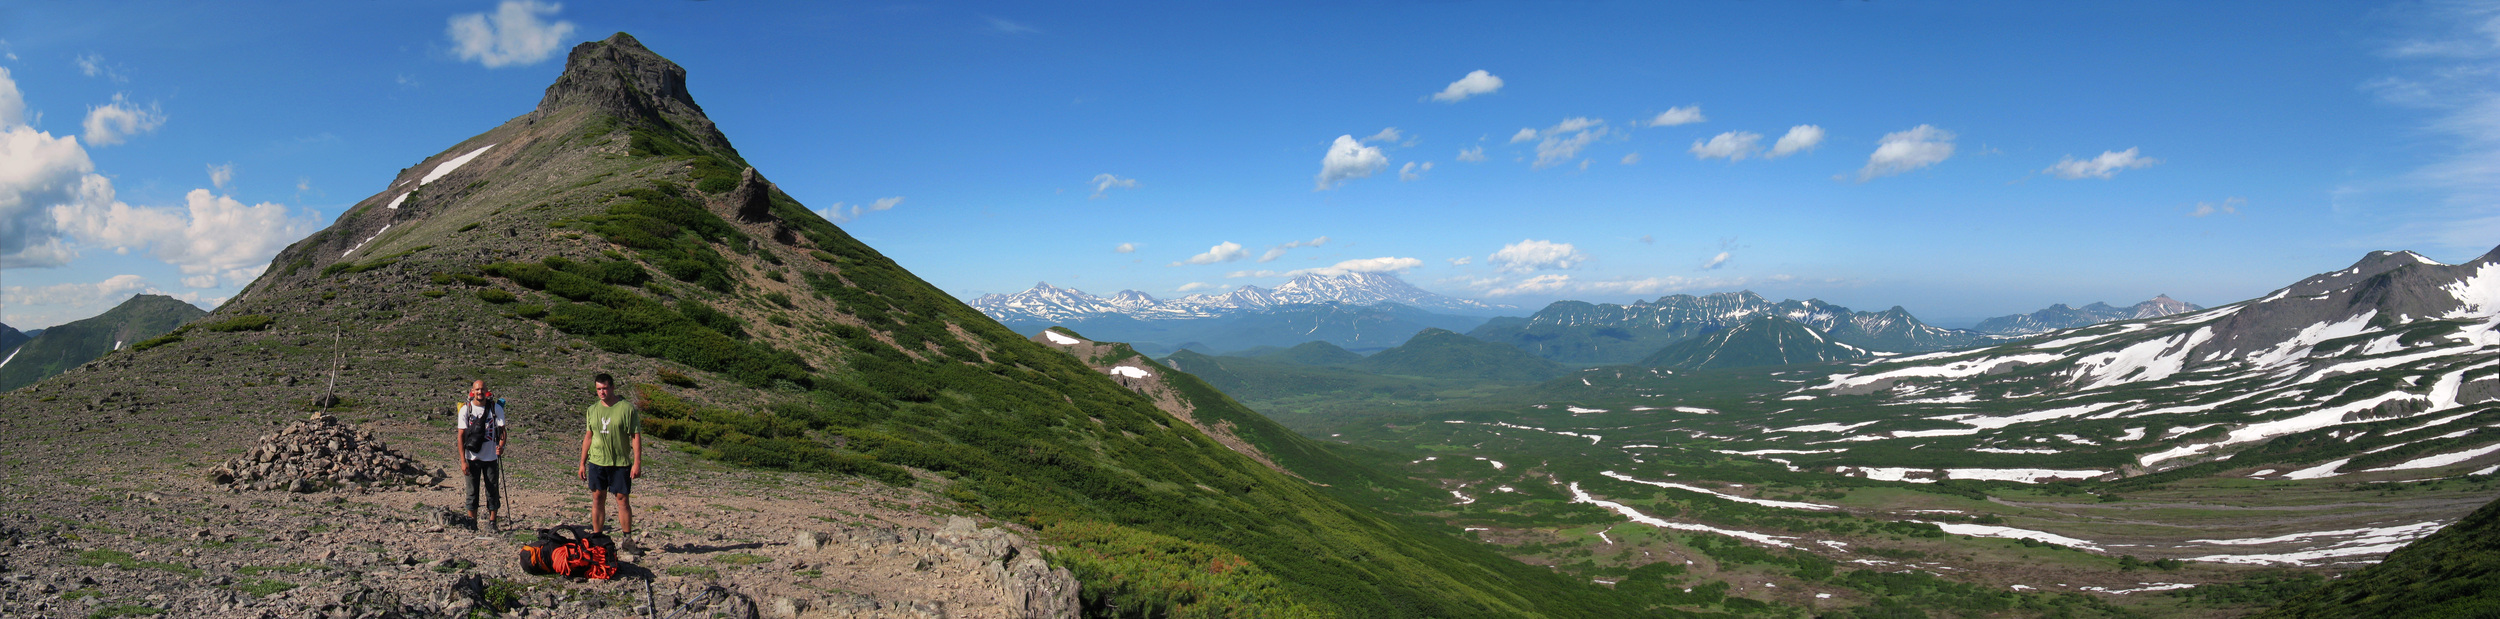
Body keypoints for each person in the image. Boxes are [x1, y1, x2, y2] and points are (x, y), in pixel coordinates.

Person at [577, 372, 642, 535]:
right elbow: (588, 436)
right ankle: (597, 537)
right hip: (597, 461)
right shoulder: (592, 410)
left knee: (622, 499)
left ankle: (627, 537)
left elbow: (635, 436)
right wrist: (582, 463)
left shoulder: (626, 409)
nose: (602, 392)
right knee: (598, 499)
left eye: (605, 388)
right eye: (599, 389)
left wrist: (637, 463)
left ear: (612, 387)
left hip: (619, 462)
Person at [456, 380, 508, 532]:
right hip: (472, 458)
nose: (480, 392)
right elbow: (460, 436)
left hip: (491, 457)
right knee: (472, 492)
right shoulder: (466, 410)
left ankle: (492, 522)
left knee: (492, 490)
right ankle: (472, 522)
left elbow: (503, 431)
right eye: (477, 389)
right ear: (473, 391)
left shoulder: (495, 408)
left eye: (482, 389)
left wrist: (501, 446)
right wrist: (463, 460)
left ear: (487, 390)